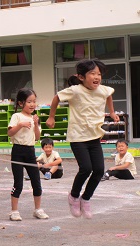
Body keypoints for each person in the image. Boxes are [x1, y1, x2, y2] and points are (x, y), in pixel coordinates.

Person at [46, 59, 119, 219]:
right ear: (81, 77)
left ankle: (85, 199)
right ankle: (73, 196)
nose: (96, 77)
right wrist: (52, 117)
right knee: (86, 168)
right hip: (78, 137)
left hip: (94, 137)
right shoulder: (75, 90)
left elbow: (109, 95)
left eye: (99, 74)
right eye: (92, 73)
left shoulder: (102, 90)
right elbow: (57, 98)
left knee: (99, 170)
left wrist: (112, 112)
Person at [8, 88, 49, 222]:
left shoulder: (35, 118)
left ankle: (38, 209)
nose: (32, 104)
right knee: (18, 182)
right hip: (18, 151)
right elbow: (10, 133)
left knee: (36, 182)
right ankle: (14, 211)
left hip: (30, 151)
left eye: (34, 102)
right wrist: (20, 125)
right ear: (21, 103)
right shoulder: (17, 117)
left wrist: (36, 124)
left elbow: (37, 137)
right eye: (29, 102)